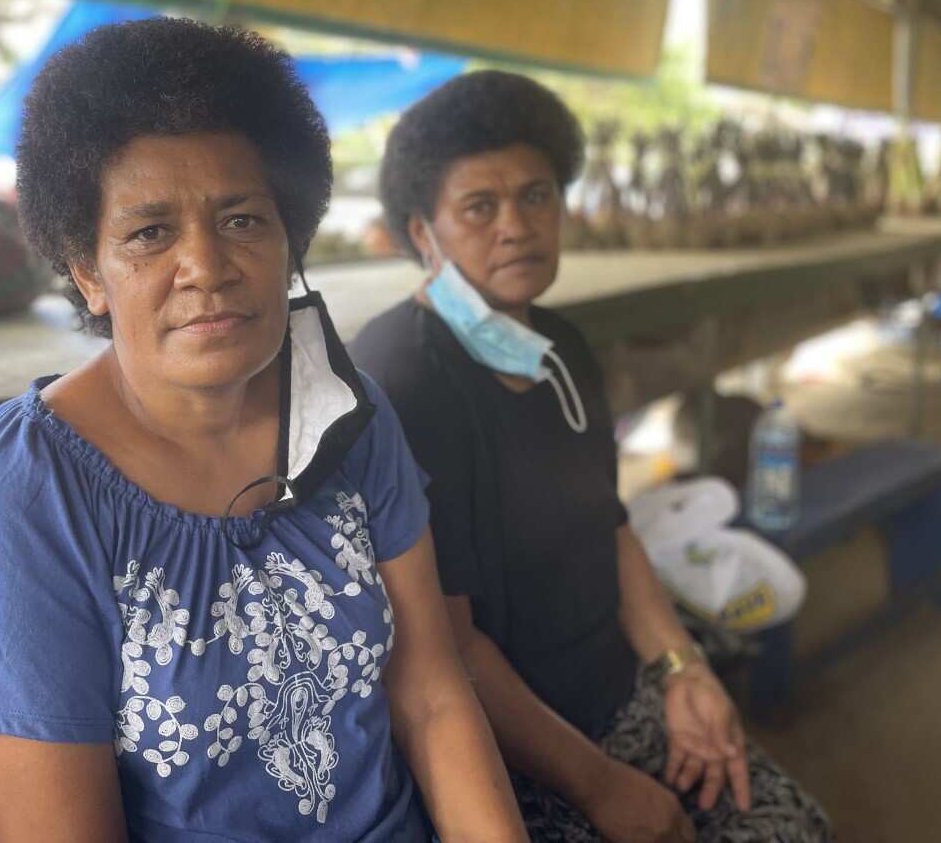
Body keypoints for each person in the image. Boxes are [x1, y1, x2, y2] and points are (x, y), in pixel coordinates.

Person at [0, 19, 526, 843]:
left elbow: (434, 696)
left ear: (287, 240)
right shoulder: (27, 492)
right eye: (150, 232)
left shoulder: (348, 413)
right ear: (89, 272)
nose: (207, 265)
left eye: (242, 220)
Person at [350, 71, 833, 843]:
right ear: (421, 234)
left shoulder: (560, 350)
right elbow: (446, 648)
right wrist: (604, 787)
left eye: (537, 195)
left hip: (619, 695)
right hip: (510, 750)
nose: (517, 225)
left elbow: (611, 529)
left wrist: (684, 672)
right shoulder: (406, 380)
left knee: (794, 830)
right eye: (480, 207)